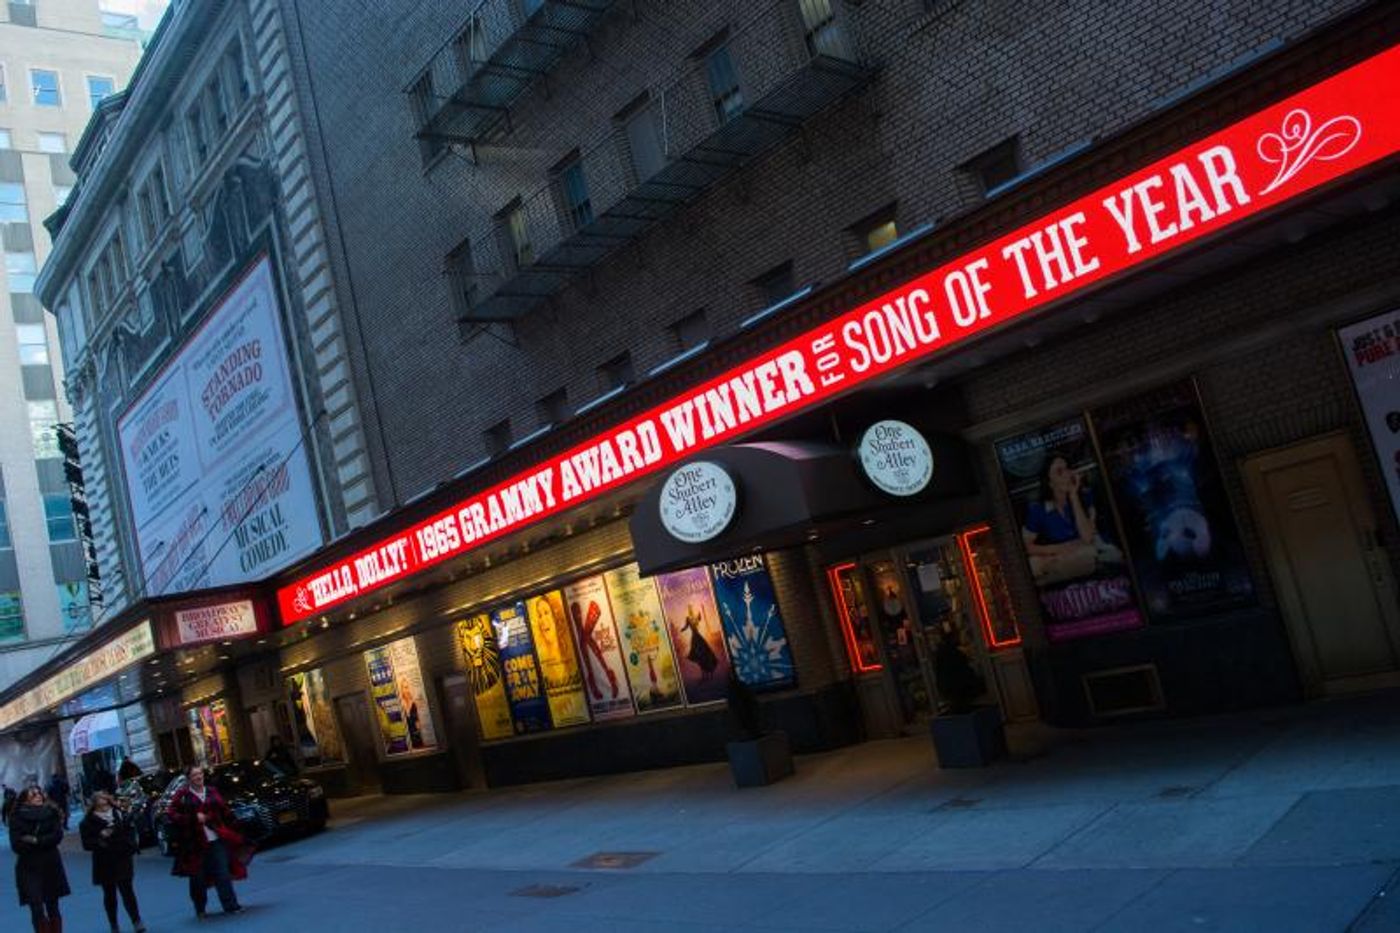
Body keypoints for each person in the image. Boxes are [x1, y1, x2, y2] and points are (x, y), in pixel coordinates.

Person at [165, 765, 251, 919]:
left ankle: (231, 905)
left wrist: (235, 826)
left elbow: (224, 810)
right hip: (195, 842)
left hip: (216, 838)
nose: (199, 777)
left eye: (200, 774)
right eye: (195, 775)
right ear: (189, 778)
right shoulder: (182, 795)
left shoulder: (211, 791)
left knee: (222, 873)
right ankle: (200, 909)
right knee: (198, 877)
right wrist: (192, 819)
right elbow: (171, 813)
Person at [79, 792, 145, 933]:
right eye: (100, 801)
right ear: (95, 804)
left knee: (127, 891)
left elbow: (129, 830)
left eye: (105, 800)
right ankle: (114, 924)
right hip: (104, 860)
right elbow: (86, 843)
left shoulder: (119, 814)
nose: (104, 804)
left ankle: (136, 920)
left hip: (122, 857)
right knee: (110, 894)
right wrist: (100, 837)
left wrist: (131, 845)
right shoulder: (88, 821)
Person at [9, 785, 70, 932]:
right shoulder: (17, 817)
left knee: (52, 906)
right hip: (29, 868)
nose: (38, 796)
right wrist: (42, 841)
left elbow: (56, 836)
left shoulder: (51, 813)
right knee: (36, 907)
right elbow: (17, 843)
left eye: (39, 793)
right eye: (33, 794)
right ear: (25, 800)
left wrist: (36, 841)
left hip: (51, 864)